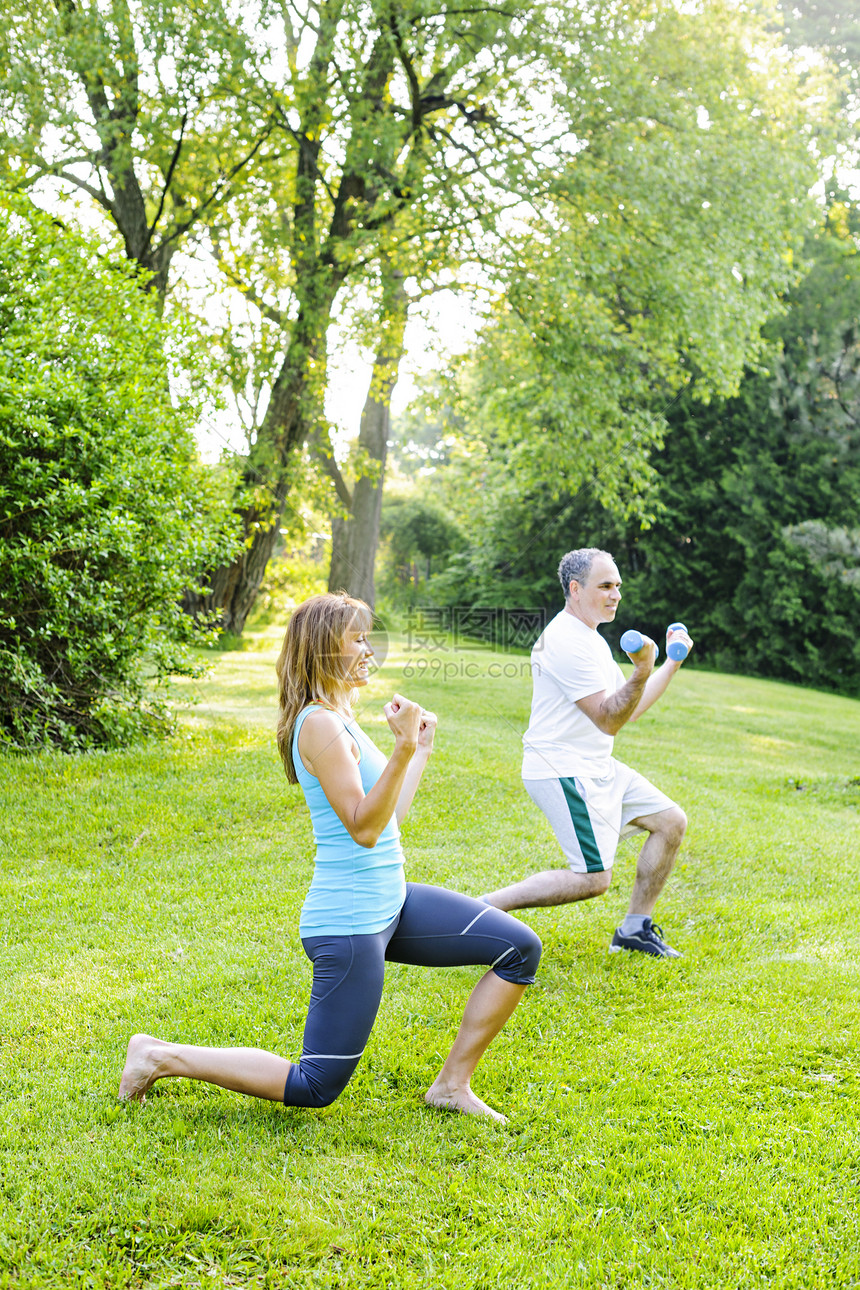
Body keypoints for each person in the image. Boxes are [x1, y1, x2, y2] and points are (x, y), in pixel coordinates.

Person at [119, 592, 541, 1121]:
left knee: (518, 948)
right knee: (315, 1084)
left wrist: (420, 752)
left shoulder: (342, 717)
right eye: (358, 640)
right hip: (349, 922)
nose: (370, 650)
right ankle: (159, 1055)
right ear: (324, 649)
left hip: (391, 902)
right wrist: (403, 748)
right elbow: (363, 830)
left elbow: (386, 819)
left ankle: (452, 1087)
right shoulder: (317, 724)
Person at [480, 548, 692, 958]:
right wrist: (641, 670)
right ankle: (480, 911)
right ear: (575, 589)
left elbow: (629, 709)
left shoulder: (591, 639)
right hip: (562, 768)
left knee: (670, 822)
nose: (615, 595)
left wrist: (668, 664)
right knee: (594, 878)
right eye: (605, 586)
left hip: (597, 764)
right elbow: (608, 719)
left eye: (618, 587)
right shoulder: (562, 642)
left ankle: (634, 930)